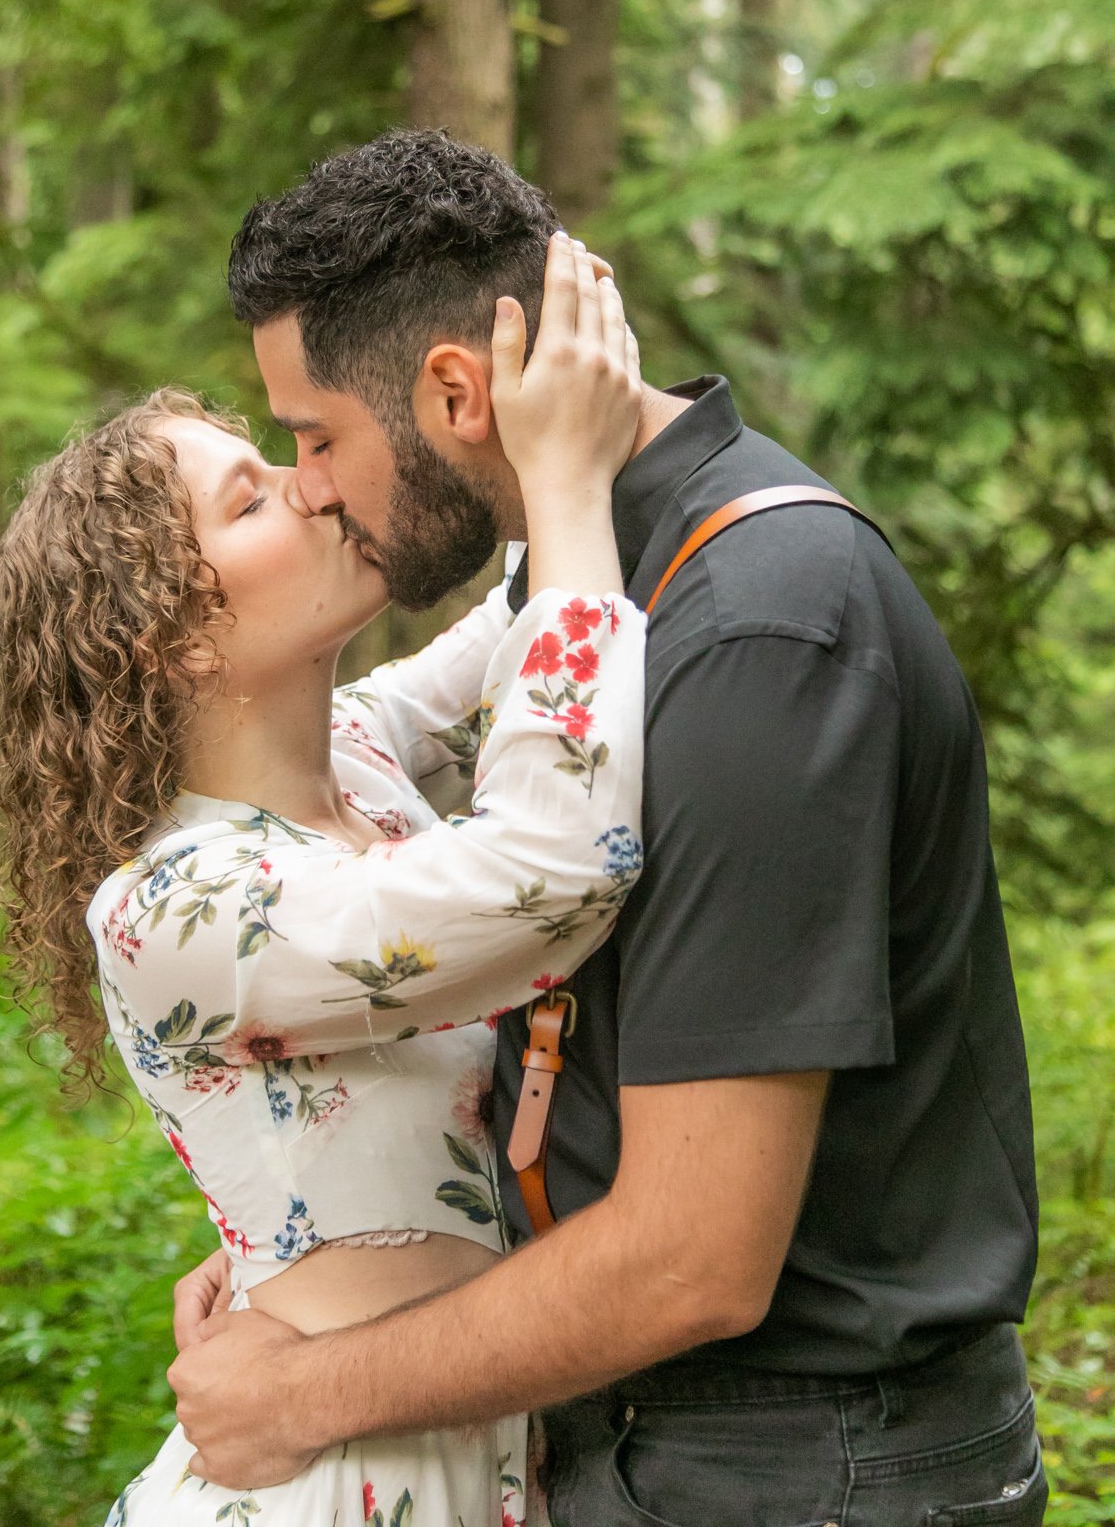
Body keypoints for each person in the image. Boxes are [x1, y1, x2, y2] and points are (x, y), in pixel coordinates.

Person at [168, 128, 1046, 1527]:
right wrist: (317, 1247)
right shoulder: (595, 582)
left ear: (455, 392)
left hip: (795, 1467)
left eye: (315, 435)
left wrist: (307, 1388)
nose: (313, 483)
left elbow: (691, 1259)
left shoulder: (756, 624)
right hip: (661, 1439)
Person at [0, 234, 648, 1526]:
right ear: (165, 640)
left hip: (444, 1439)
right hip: (326, 1482)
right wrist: (564, 486)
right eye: (249, 498)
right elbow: (555, 865)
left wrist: (534, 366)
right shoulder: (175, 907)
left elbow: (533, 609)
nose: (312, 486)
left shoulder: (351, 755)